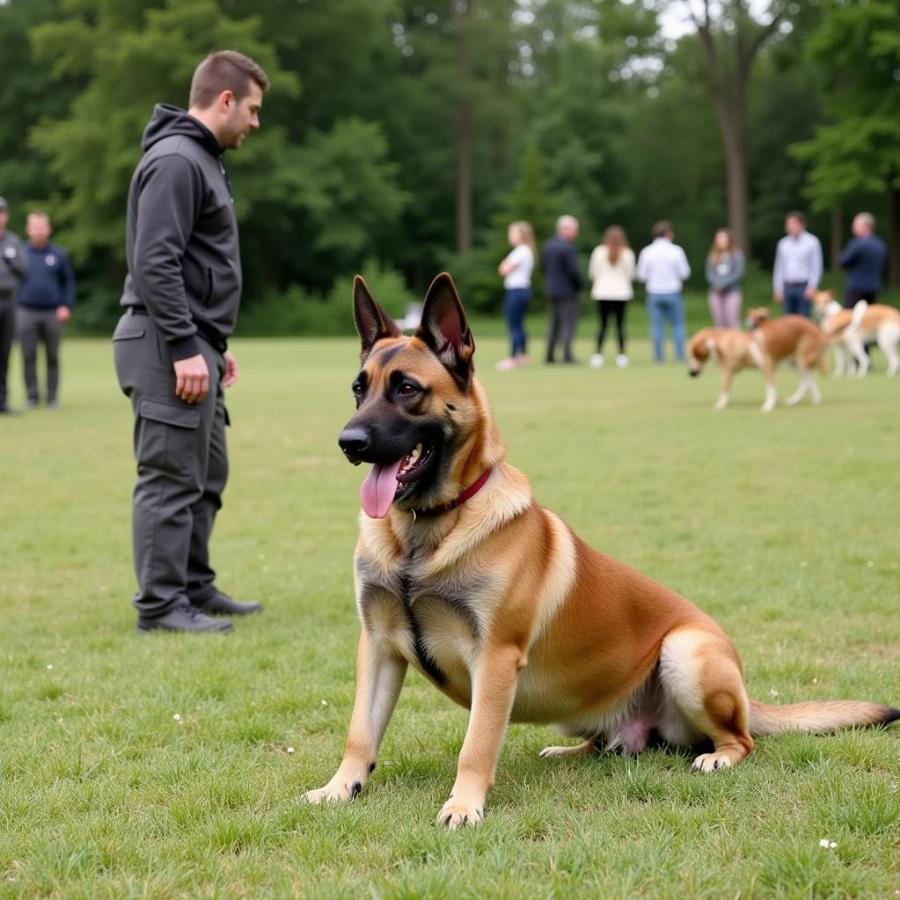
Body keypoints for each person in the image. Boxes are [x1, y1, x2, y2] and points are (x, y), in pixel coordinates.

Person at [113, 50, 270, 634]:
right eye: (252, 109)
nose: (255, 123)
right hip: (162, 341)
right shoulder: (178, 159)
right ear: (225, 100)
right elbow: (154, 262)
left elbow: (195, 263)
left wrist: (212, 342)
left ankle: (193, 586)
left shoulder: (200, 159)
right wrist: (183, 344)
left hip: (191, 339)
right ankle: (160, 606)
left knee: (205, 473)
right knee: (170, 476)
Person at [16, 211, 76, 409]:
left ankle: (52, 396)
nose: (39, 230)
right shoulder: (21, 253)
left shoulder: (59, 254)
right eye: (35, 226)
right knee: (28, 354)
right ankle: (32, 396)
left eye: (42, 226)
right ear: (28, 229)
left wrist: (66, 305)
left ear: (48, 229)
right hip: (26, 311)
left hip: (52, 312)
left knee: (52, 355)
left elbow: (68, 282)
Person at [636, 221, 691, 362]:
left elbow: (641, 275)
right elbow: (685, 273)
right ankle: (679, 356)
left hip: (654, 292)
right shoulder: (676, 251)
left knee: (656, 326)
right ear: (668, 233)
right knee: (677, 325)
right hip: (672, 291)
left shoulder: (647, 251)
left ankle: (659, 356)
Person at [588, 225, 635, 369]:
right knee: (620, 326)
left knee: (603, 325)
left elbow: (593, 273)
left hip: (603, 292)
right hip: (621, 293)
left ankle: (597, 355)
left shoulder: (598, 252)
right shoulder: (627, 253)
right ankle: (621, 356)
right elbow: (631, 275)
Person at [541, 215, 583, 364]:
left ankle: (549, 355)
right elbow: (574, 272)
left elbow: (543, 267)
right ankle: (567, 356)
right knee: (567, 324)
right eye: (574, 230)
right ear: (565, 229)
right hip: (568, 292)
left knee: (553, 324)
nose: (576, 233)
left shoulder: (548, 245)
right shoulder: (568, 247)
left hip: (551, 290)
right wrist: (579, 288)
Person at [496, 221, 536, 371]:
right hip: (522, 290)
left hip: (517, 291)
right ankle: (523, 355)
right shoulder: (525, 250)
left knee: (513, 324)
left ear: (522, 235)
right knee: (519, 324)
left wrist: (505, 264)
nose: (510, 236)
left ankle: (513, 357)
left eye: (513, 233)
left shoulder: (521, 251)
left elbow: (503, 269)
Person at [0, 196, 27, 414]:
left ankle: (2, 401)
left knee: (5, 352)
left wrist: (11, 260)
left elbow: (23, 269)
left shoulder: (13, 241)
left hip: (8, 300)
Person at [773, 211, 822, 317]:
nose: (790, 226)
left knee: (803, 319)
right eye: (788, 224)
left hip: (804, 286)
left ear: (802, 224)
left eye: (793, 223)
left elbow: (816, 267)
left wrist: (812, 287)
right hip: (787, 286)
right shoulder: (783, 243)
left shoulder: (812, 242)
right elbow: (779, 267)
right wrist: (778, 289)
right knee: (788, 320)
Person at [839, 212, 887, 309]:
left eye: (856, 225)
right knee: (869, 318)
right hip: (873, 287)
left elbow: (843, 262)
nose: (853, 228)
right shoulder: (881, 245)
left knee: (849, 316)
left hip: (855, 287)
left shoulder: (857, 244)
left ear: (866, 226)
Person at [704, 227, 744, 328]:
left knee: (731, 318)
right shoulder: (712, 255)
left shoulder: (737, 254)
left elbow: (738, 273)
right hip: (716, 292)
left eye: (722, 238)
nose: (720, 241)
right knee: (719, 321)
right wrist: (716, 284)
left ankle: (735, 342)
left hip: (732, 291)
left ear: (729, 240)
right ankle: (721, 343)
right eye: (718, 238)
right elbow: (709, 274)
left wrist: (723, 284)